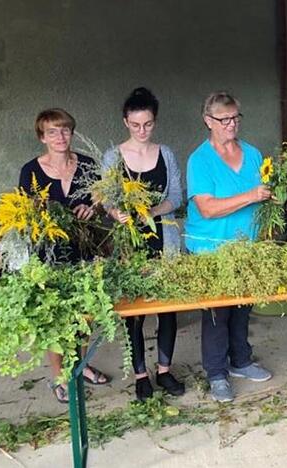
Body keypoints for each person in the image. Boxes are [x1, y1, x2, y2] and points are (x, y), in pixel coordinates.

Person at [184, 91, 272, 403]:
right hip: (210, 248)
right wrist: (252, 195)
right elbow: (207, 208)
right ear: (208, 121)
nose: (231, 124)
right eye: (224, 119)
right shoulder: (200, 160)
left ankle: (241, 361)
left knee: (242, 308)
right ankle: (216, 373)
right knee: (217, 313)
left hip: (245, 246)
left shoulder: (253, 154)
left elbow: (265, 198)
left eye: (235, 117)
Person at [18, 108, 111, 403]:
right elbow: (26, 215)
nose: (61, 137)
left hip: (85, 249)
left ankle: (79, 365)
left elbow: (100, 198)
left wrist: (92, 208)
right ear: (42, 137)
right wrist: (45, 217)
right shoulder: (30, 171)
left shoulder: (86, 164)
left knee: (84, 313)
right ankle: (59, 375)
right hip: (49, 253)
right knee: (55, 316)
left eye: (66, 130)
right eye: (53, 132)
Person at [102, 88, 185, 401]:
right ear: (126, 121)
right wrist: (118, 212)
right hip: (129, 242)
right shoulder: (113, 156)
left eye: (148, 124)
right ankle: (140, 375)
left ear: (155, 122)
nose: (142, 130)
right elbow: (108, 197)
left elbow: (175, 196)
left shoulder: (166, 154)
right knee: (134, 312)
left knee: (167, 308)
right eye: (135, 125)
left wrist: (148, 212)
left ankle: (164, 370)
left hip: (163, 237)